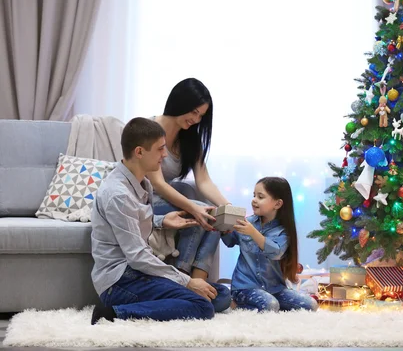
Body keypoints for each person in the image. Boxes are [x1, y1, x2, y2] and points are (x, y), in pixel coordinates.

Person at [90, 117, 230, 324]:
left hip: (136, 272)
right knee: (203, 306)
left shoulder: (142, 183)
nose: (164, 155)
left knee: (221, 294)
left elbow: (129, 220)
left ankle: (163, 303)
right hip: (120, 281)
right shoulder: (118, 194)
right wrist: (188, 281)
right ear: (139, 152)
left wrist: (162, 220)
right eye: (160, 149)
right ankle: (113, 313)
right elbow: (137, 257)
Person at [148, 78, 230, 280]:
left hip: (164, 198)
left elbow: (204, 181)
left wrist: (228, 207)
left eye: (201, 115)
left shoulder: (189, 139)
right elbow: (157, 183)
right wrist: (194, 208)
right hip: (143, 198)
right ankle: (182, 276)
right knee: (202, 211)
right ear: (180, 102)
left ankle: (199, 279)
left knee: (214, 215)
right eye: (194, 112)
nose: (196, 119)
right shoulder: (149, 130)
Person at [222, 177, 318, 312]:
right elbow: (230, 241)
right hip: (245, 287)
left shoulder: (283, 231)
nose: (254, 200)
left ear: (277, 204)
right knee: (270, 305)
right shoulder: (247, 222)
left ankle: (271, 304)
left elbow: (276, 252)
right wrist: (223, 229)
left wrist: (253, 233)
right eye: (254, 195)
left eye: (260, 197)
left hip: (275, 288)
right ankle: (236, 303)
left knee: (310, 305)